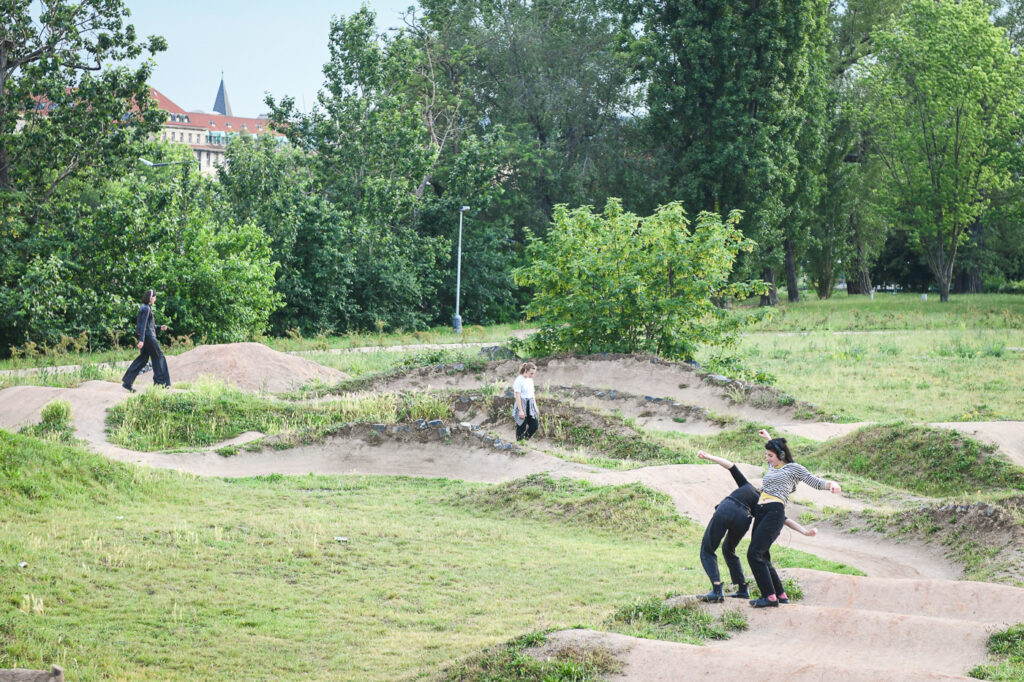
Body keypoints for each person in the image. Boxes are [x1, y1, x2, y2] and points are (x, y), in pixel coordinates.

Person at [696, 450, 817, 603]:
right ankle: (742, 589)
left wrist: (709, 456)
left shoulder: (747, 486)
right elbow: (784, 519)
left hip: (727, 509)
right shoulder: (765, 502)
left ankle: (716, 589)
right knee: (728, 549)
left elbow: (731, 466)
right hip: (743, 519)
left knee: (707, 549)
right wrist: (805, 532)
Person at [747, 429, 840, 608]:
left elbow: (815, 482)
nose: (767, 458)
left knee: (754, 554)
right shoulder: (772, 467)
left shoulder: (793, 468)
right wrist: (768, 439)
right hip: (761, 512)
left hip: (774, 511)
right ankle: (780, 594)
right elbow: (772, 456)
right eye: (766, 455)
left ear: (781, 455)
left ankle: (770, 597)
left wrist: (833, 485)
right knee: (762, 555)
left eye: (771, 456)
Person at [121, 289, 171, 391]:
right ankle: (160, 384)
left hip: (146, 336)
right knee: (159, 356)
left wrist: (159, 327)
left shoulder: (144, 307)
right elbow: (143, 326)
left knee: (143, 358)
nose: (155, 299)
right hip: (148, 337)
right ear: (151, 298)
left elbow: (148, 325)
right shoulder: (147, 309)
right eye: (155, 297)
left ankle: (127, 381)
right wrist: (141, 340)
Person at [513, 362, 539, 441]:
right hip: (522, 403)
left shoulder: (530, 380)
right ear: (526, 371)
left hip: (530, 404)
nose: (532, 375)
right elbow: (517, 396)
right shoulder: (519, 380)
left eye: (533, 373)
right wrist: (521, 411)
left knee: (534, 425)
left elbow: (532, 394)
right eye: (531, 373)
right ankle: (519, 443)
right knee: (521, 425)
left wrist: (535, 407)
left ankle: (524, 440)